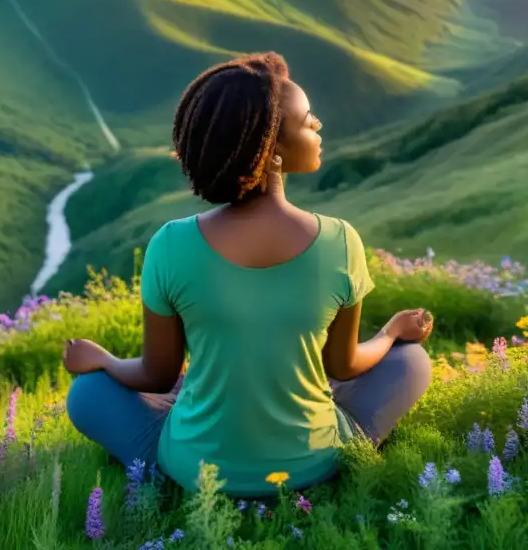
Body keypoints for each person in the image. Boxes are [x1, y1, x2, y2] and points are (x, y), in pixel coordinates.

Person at [62, 52, 434, 498]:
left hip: (197, 468)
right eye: (307, 120)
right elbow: (344, 365)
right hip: (314, 461)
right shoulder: (340, 240)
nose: (317, 126)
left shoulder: (170, 244)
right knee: (411, 361)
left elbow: (157, 375)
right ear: (272, 149)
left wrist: (102, 359)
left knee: (88, 393)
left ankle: (169, 467)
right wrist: (393, 331)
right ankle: (336, 458)